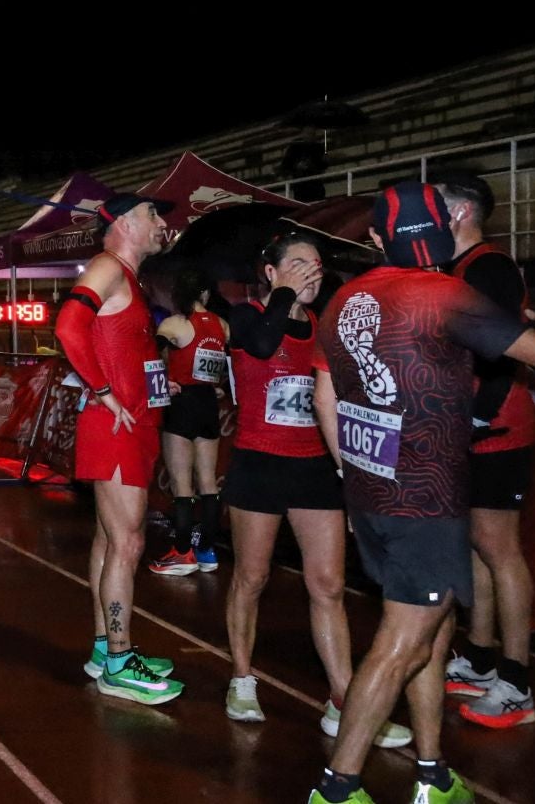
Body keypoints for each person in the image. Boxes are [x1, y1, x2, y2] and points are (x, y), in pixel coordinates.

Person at [307, 184, 535, 804]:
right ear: (444, 227)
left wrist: (351, 472)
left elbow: (325, 398)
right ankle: (337, 787)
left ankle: (432, 774)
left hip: (373, 490)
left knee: (431, 629)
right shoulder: (447, 295)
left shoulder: (344, 300)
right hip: (424, 497)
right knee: (403, 641)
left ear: (376, 239)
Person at [219, 233, 410, 747]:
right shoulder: (243, 315)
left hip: (314, 468)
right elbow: (261, 344)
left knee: (327, 585)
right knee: (253, 577)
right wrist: (284, 293)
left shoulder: (327, 325)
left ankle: (345, 701)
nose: (312, 271)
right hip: (258, 465)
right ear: (270, 271)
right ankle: (241, 678)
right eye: (298, 263)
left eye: (317, 265)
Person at [52, 192, 183, 704]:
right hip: (115, 430)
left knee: (111, 541)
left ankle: (108, 649)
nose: (161, 224)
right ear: (124, 223)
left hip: (132, 423)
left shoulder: (127, 277)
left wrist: (153, 387)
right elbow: (69, 326)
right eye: (154, 214)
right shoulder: (107, 267)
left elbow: (120, 349)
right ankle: (120, 662)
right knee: (128, 544)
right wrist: (104, 393)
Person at [435, 175, 535, 728]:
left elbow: (501, 347)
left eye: (436, 205)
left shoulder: (488, 266)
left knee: (500, 548)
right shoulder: (457, 268)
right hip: (468, 423)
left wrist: (480, 413)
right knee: (476, 542)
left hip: (496, 425)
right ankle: (478, 657)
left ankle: (517, 682)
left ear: (460, 212)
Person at [149, 267, 229, 576]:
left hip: (181, 403)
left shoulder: (175, 324)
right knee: (208, 481)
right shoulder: (222, 325)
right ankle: (207, 550)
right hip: (209, 404)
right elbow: (224, 367)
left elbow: (149, 354)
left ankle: (182, 552)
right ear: (207, 293)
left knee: (182, 484)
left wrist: (159, 382)